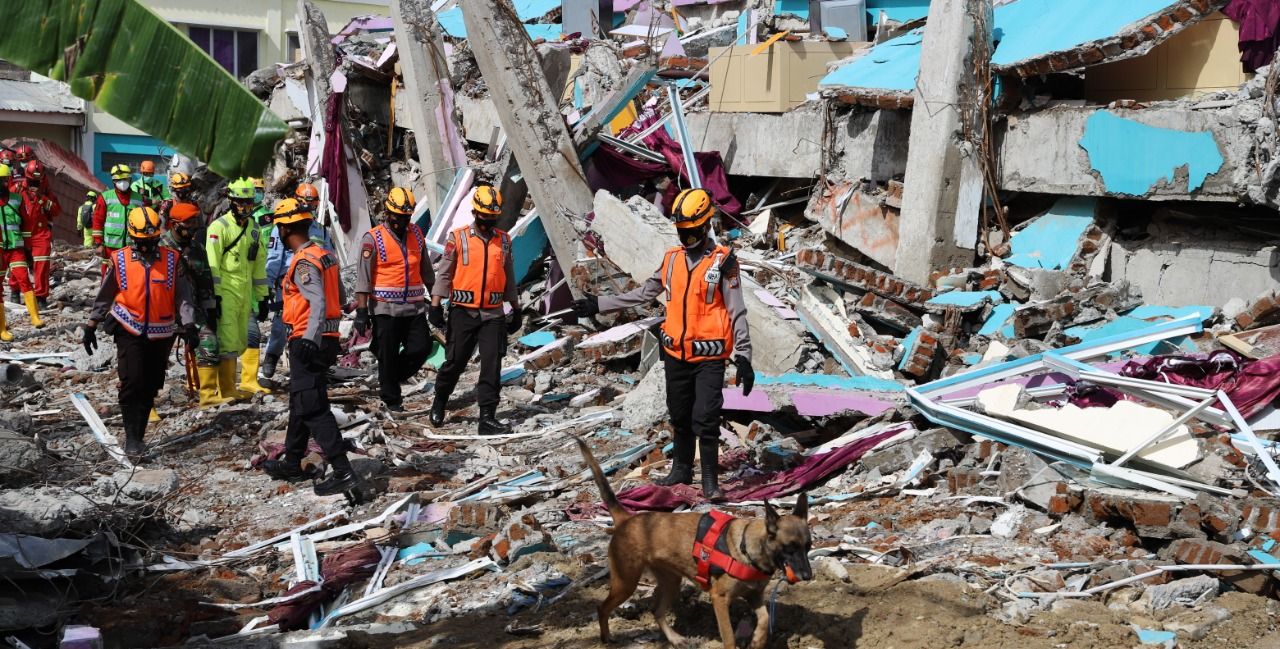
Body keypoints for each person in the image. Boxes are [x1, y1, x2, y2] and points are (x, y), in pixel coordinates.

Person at [572, 188, 754, 501]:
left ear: (705, 225)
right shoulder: (671, 260)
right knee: (679, 414)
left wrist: (745, 357)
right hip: (674, 355)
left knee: (705, 418)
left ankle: (710, 481)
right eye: (681, 232)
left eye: (691, 231)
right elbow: (643, 293)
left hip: (709, 358)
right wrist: (599, 304)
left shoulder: (724, 263)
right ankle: (681, 468)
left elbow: (737, 310)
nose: (685, 237)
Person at [260, 199, 360, 497]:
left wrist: (308, 339)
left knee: (314, 408)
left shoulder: (303, 261)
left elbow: (316, 302)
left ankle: (343, 471)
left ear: (285, 228)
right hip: (324, 340)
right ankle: (292, 461)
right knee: (300, 402)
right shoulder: (325, 255)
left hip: (308, 341)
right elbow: (338, 296)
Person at [82, 207, 196, 461]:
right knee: (132, 381)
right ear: (133, 238)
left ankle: (140, 435)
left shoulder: (172, 259)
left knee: (151, 384)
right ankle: (132, 437)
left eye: (152, 240)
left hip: (162, 331)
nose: (147, 246)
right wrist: (92, 324)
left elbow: (183, 295)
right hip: (128, 326)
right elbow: (106, 293)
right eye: (142, 242)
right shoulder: (120, 259)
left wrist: (189, 325)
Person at [428, 185, 521, 435]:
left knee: (492, 363)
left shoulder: (504, 240)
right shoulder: (457, 238)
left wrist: (516, 306)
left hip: (493, 313)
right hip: (463, 312)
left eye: (493, 217)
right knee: (455, 361)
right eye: (484, 216)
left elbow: (508, 275)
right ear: (475, 213)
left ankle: (487, 417)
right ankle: (440, 400)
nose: (488, 222)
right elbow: (445, 274)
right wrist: (435, 305)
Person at [354, 187, 434, 411]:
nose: (403, 221)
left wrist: (436, 300)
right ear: (388, 213)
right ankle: (392, 399)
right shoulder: (373, 238)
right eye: (399, 216)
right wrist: (362, 312)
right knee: (388, 354)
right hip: (384, 308)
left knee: (421, 348)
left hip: (414, 307)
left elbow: (426, 270)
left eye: (407, 217)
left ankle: (388, 377)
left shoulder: (417, 234)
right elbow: (364, 277)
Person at [259, 182, 332, 383]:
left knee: (314, 319)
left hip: (313, 281)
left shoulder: (321, 230)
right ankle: (272, 356)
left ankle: (309, 360)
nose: (308, 209)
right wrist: (268, 284)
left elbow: (328, 255)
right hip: (289, 281)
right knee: (283, 323)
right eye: (305, 204)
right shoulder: (284, 227)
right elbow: (275, 258)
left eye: (312, 205)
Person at [206, 177, 269, 402]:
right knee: (229, 339)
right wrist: (216, 297)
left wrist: (262, 298)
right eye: (240, 202)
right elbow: (212, 265)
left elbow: (259, 263)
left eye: (249, 202)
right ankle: (226, 389)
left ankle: (237, 383)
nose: (245, 207)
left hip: (245, 293)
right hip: (226, 291)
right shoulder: (219, 227)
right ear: (231, 202)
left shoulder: (253, 228)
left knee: (243, 339)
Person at [163, 201, 226, 408]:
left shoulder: (197, 248)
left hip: (193, 309)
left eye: (194, 224)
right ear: (174, 224)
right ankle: (149, 405)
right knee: (155, 359)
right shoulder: (160, 247)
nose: (192, 229)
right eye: (187, 224)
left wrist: (210, 307)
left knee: (209, 344)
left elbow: (205, 280)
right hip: (164, 311)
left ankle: (208, 395)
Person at [0, 164, 38, 340]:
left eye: (4, 180)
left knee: (24, 279)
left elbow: (27, 224)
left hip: (16, 247)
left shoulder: (17, 199)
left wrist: (28, 248)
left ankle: (35, 317)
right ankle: (2, 329)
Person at [17, 160, 60, 309]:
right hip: (21, 234)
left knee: (41, 266)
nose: (34, 184)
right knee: (18, 266)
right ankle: (15, 292)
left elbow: (56, 210)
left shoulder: (45, 192)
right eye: (32, 180)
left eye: (37, 180)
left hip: (40, 234)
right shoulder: (17, 189)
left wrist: (42, 197)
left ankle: (41, 297)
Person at [93, 164, 144, 275]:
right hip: (110, 247)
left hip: (132, 246)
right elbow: (97, 221)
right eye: (118, 180)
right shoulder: (105, 197)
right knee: (109, 277)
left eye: (125, 179)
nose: (122, 182)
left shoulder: (140, 198)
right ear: (113, 181)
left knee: (131, 276)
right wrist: (98, 243)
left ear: (130, 179)